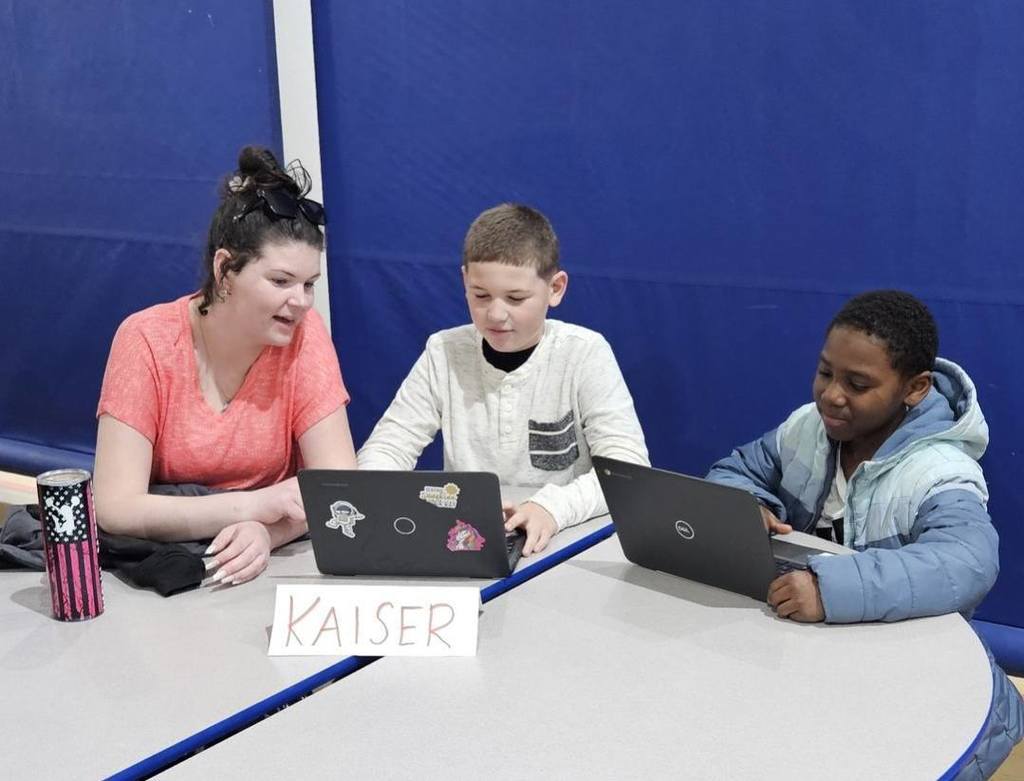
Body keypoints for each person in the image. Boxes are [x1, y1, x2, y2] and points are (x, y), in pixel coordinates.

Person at [706, 290, 1022, 778]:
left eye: (857, 384)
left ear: (914, 389)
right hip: (817, 659)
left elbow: (968, 563)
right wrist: (748, 506)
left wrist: (830, 591)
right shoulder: (808, 428)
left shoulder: (940, 470)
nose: (832, 394)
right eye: (825, 372)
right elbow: (740, 469)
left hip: (912, 677)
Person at [93, 146, 356, 585]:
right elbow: (116, 505)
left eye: (309, 284)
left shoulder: (308, 336)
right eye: (280, 281)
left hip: (259, 574)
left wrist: (265, 532)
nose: (301, 302)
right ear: (224, 270)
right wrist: (251, 507)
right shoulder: (146, 339)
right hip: (161, 577)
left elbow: (339, 490)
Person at [358, 203, 648, 555]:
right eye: (480, 295)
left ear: (555, 288)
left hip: (566, 540)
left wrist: (552, 508)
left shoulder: (585, 353)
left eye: (516, 298)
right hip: (468, 540)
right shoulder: (444, 351)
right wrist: (374, 496)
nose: (495, 314)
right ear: (464, 280)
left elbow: (627, 472)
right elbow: (389, 447)